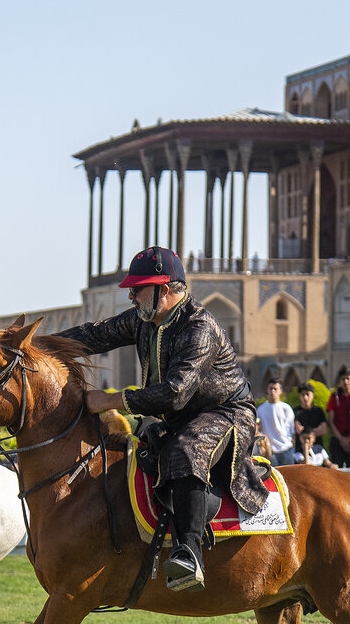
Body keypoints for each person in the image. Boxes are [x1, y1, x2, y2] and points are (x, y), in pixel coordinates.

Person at [57, 246, 263, 594]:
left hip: (228, 414)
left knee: (184, 451)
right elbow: (95, 336)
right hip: (183, 417)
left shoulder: (200, 327)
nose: (131, 295)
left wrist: (110, 400)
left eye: (137, 289)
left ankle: (190, 555)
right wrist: (34, 345)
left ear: (164, 290)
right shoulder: (144, 318)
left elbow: (174, 393)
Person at [326, 367, 350, 468]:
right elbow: (331, 421)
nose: (345, 381)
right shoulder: (334, 397)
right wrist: (342, 440)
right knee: (336, 472)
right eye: (343, 379)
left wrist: (349, 440)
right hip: (337, 441)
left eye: (348, 378)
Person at [256, 378, 296, 466]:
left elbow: (291, 431)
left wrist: (293, 447)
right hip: (270, 451)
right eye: (270, 388)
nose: (272, 391)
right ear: (267, 390)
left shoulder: (286, 408)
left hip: (286, 449)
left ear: (280, 391)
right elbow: (258, 429)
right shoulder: (261, 409)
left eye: (275, 389)